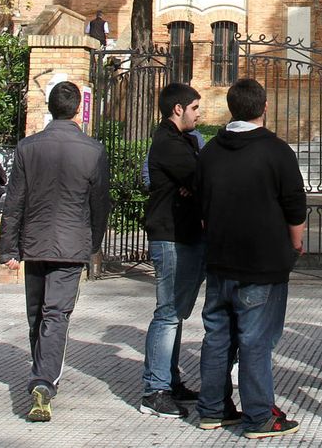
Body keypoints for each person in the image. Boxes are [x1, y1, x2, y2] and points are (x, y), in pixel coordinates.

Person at [195, 77, 306, 439]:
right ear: (265, 107)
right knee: (256, 340)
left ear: (231, 108)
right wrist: (295, 244)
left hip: (220, 260)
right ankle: (259, 416)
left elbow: (201, 206)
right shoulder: (277, 151)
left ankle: (212, 409)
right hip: (262, 263)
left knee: (217, 335)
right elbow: (295, 207)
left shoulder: (210, 151)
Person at [0, 80, 110, 423]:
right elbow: (100, 204)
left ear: (50, 107)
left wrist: (8, 247)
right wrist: (92, 244)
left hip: (36, 240)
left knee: (38, 313)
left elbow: (14, 200)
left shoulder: (29, 147)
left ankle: (41, 373)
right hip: (71, 242)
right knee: (55, 313)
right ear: (77, 109)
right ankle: (44, 380)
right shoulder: (92, 150)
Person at [140, 82, 207, 418]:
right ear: (178, 109)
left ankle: (170, 378)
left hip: (187, 234)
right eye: (195, 108)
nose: (199, 113)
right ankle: (155, 389)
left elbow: (196, 181)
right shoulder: (168, 142)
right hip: (171, 236)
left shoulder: (183, 140)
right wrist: (192, 186)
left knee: (177, 313)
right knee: (167, 313)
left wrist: (192, 188)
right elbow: (201, 179)